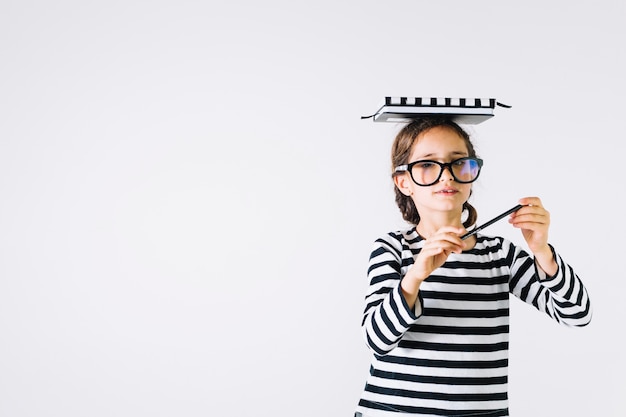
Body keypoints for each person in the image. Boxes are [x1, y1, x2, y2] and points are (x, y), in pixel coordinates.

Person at [354, 117, 592, 417]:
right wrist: (415, 276)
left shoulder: (499, 254)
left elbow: (577, 314)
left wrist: (542, 251)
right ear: (404, 182)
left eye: (458, 163)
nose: (446, 176)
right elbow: (376, 339)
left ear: (471, 173)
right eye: (427, 164)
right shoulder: (393, 249)